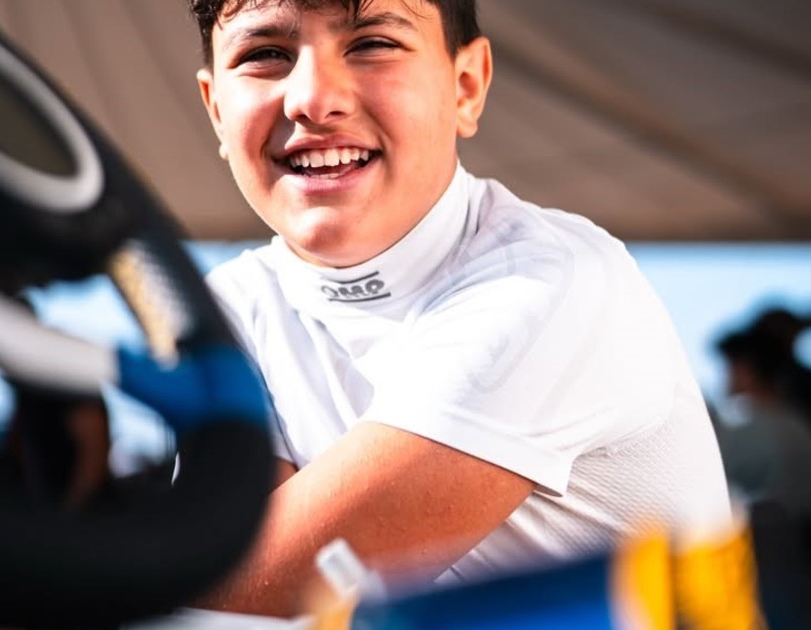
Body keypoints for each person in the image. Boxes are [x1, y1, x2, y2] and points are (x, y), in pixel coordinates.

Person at [189, 0, 732, 617]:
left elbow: (249, 585)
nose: (313, 100)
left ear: (466, 86)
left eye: (372, 44)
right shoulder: (230, 305)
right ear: (216, 109)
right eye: (265, 54)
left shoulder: (551, 279)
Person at [714, 330, 811, 522]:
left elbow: (716, 480)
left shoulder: (749, 428)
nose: (725, 377)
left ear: (746, 371)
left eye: (729, 368)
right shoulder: (800, 425)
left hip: (760, 535)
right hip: (799, 533)